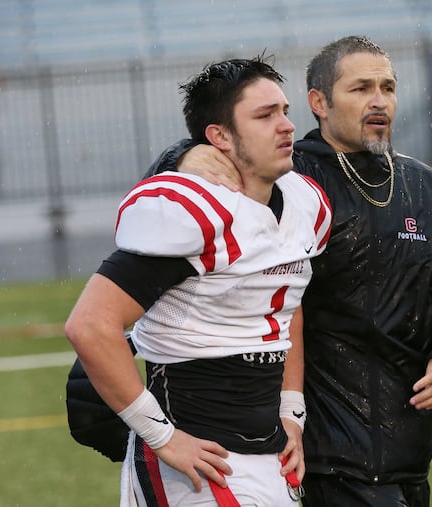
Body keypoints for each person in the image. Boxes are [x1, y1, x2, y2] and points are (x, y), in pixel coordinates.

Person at [145, 35, 432, 506]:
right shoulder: (289, 178)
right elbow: (177, 191)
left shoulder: (429, 189)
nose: (379, 101)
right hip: (316, 449)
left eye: (388, 88)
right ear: (319, 102)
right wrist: (181, 156)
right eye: (360, 88)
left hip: (411, 444)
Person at [65, 55, 333, 506]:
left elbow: (286, 305)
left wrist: (292, 409)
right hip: (197, 449)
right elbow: (89, 325)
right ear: (219, 137)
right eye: (265, 115)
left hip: (266, 450)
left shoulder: (305, 203)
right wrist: (162, 437)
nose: (287, 125)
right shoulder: (194, 214)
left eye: (285, 111)